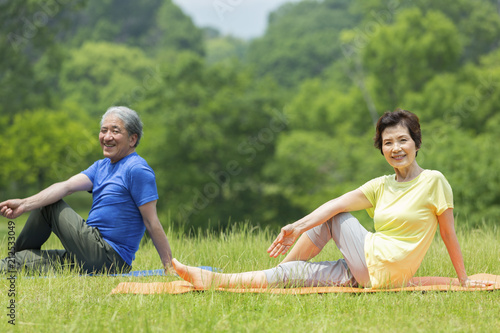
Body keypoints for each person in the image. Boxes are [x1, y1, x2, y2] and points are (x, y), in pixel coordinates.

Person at [172, 109, 493, 289]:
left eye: (402, 140)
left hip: (385, 266)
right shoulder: (381, 185)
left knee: (336, 215)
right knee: (295, 274)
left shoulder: (433, 181)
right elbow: (336, 202)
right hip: (369, 267)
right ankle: (220, 279)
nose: (395, 148)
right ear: (381, 148)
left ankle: (270, 271)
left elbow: (448, 234)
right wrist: (297, 227)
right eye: (387, 142)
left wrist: (463, 279)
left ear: (416, 142)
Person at [0, 106, 173, 275]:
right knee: (19, 261)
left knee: (48, 204)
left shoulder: (137, 169)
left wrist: (169, 267)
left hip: (109, 257)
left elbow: (152, 222)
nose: (107, 137)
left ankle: (11, 258)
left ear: (132, 139)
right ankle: (10, 261)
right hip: (88, 252)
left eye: (115, 131)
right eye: (103, 130)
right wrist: (23, 203)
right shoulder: (101, 166)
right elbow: (66, 186)